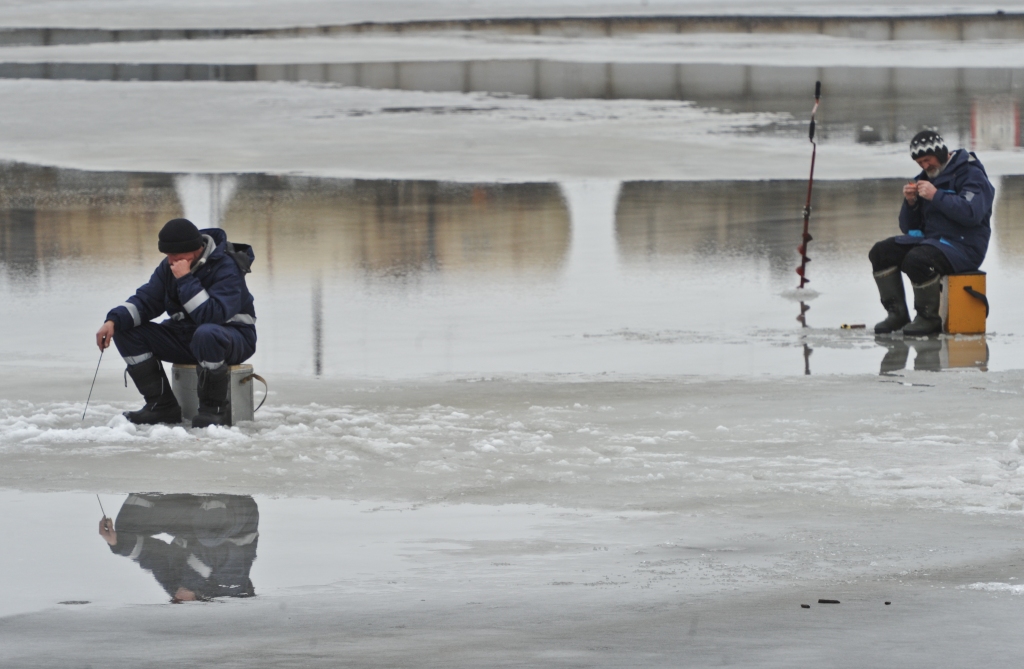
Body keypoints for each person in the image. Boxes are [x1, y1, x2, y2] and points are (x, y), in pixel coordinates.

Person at [95, 218, 256, 427]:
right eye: (168, 255)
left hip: (232, 338)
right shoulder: (169, 266)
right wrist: (113, 321)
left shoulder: (227, 267)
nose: (170, 260)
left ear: (195, 249)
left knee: (206, 333)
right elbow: (146, 300)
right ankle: (161, 406)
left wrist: (185, 279)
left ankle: (213, 410)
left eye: (175, 255)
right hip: (189, 337)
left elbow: (211, 316)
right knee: (126, 331)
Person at [869, 129, 994, 336]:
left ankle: (928, 318)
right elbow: (910, 229)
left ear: (941, 152)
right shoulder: (926, 178)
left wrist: (936, 196)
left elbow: (971, 213)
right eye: (920, 163)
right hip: (934, 242)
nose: (925, 166)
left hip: (964, 248)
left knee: (918, 259)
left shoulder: (972, 174)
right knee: (881, 252)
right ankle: (897, 314)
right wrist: (911, 203)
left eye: (927, 160)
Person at [99, 493, 259, 602]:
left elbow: (155, 558)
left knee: (126, 529)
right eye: (179, 603)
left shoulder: (177, 589)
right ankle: (214, 488)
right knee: (210, 537)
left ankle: (152, 485)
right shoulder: (231, 590)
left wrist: (117, 543)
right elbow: (220, 553)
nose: (175, 599)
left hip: (195, 520)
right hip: (237, 514)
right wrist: (190, 585)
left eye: (173, 602)